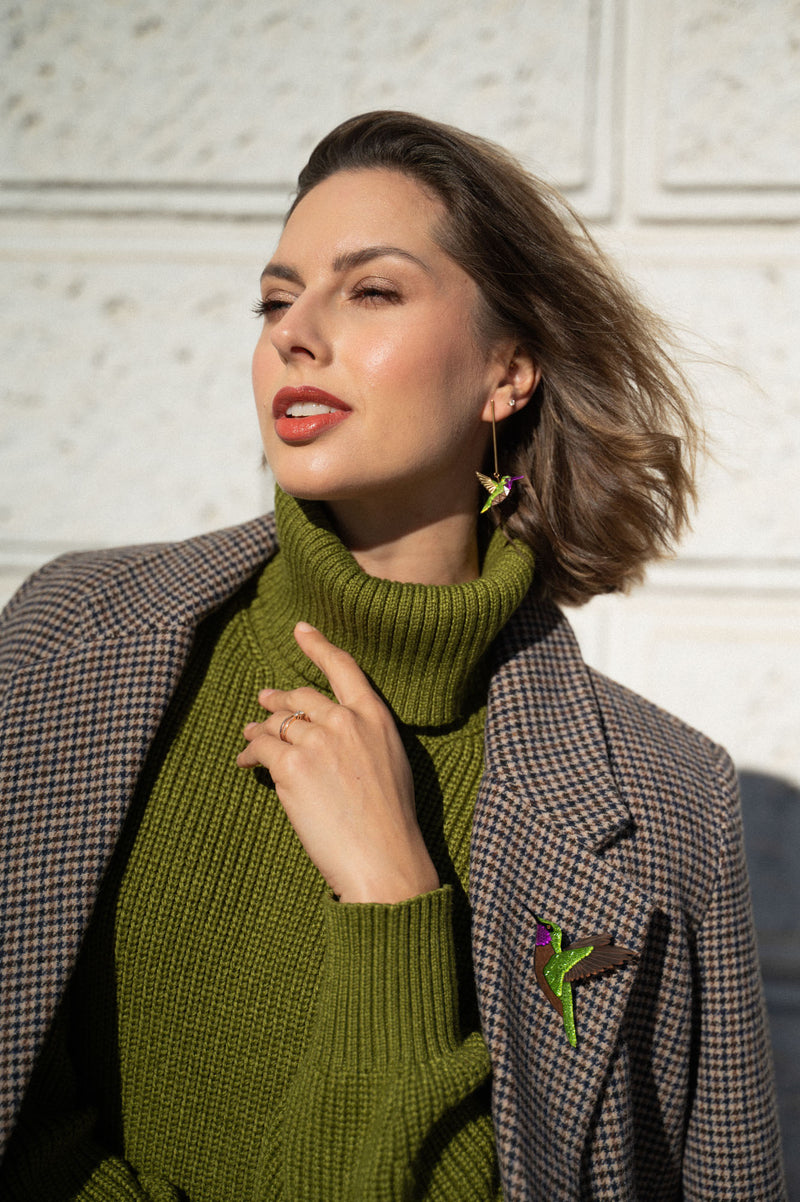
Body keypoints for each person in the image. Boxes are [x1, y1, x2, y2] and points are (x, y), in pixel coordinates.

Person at [0, 111, 786, 1201]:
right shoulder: (66, 638)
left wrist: (394, 896)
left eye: (370, 291)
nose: (294, 333)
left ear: (507, 372)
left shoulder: (667, 800)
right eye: (274, 300)